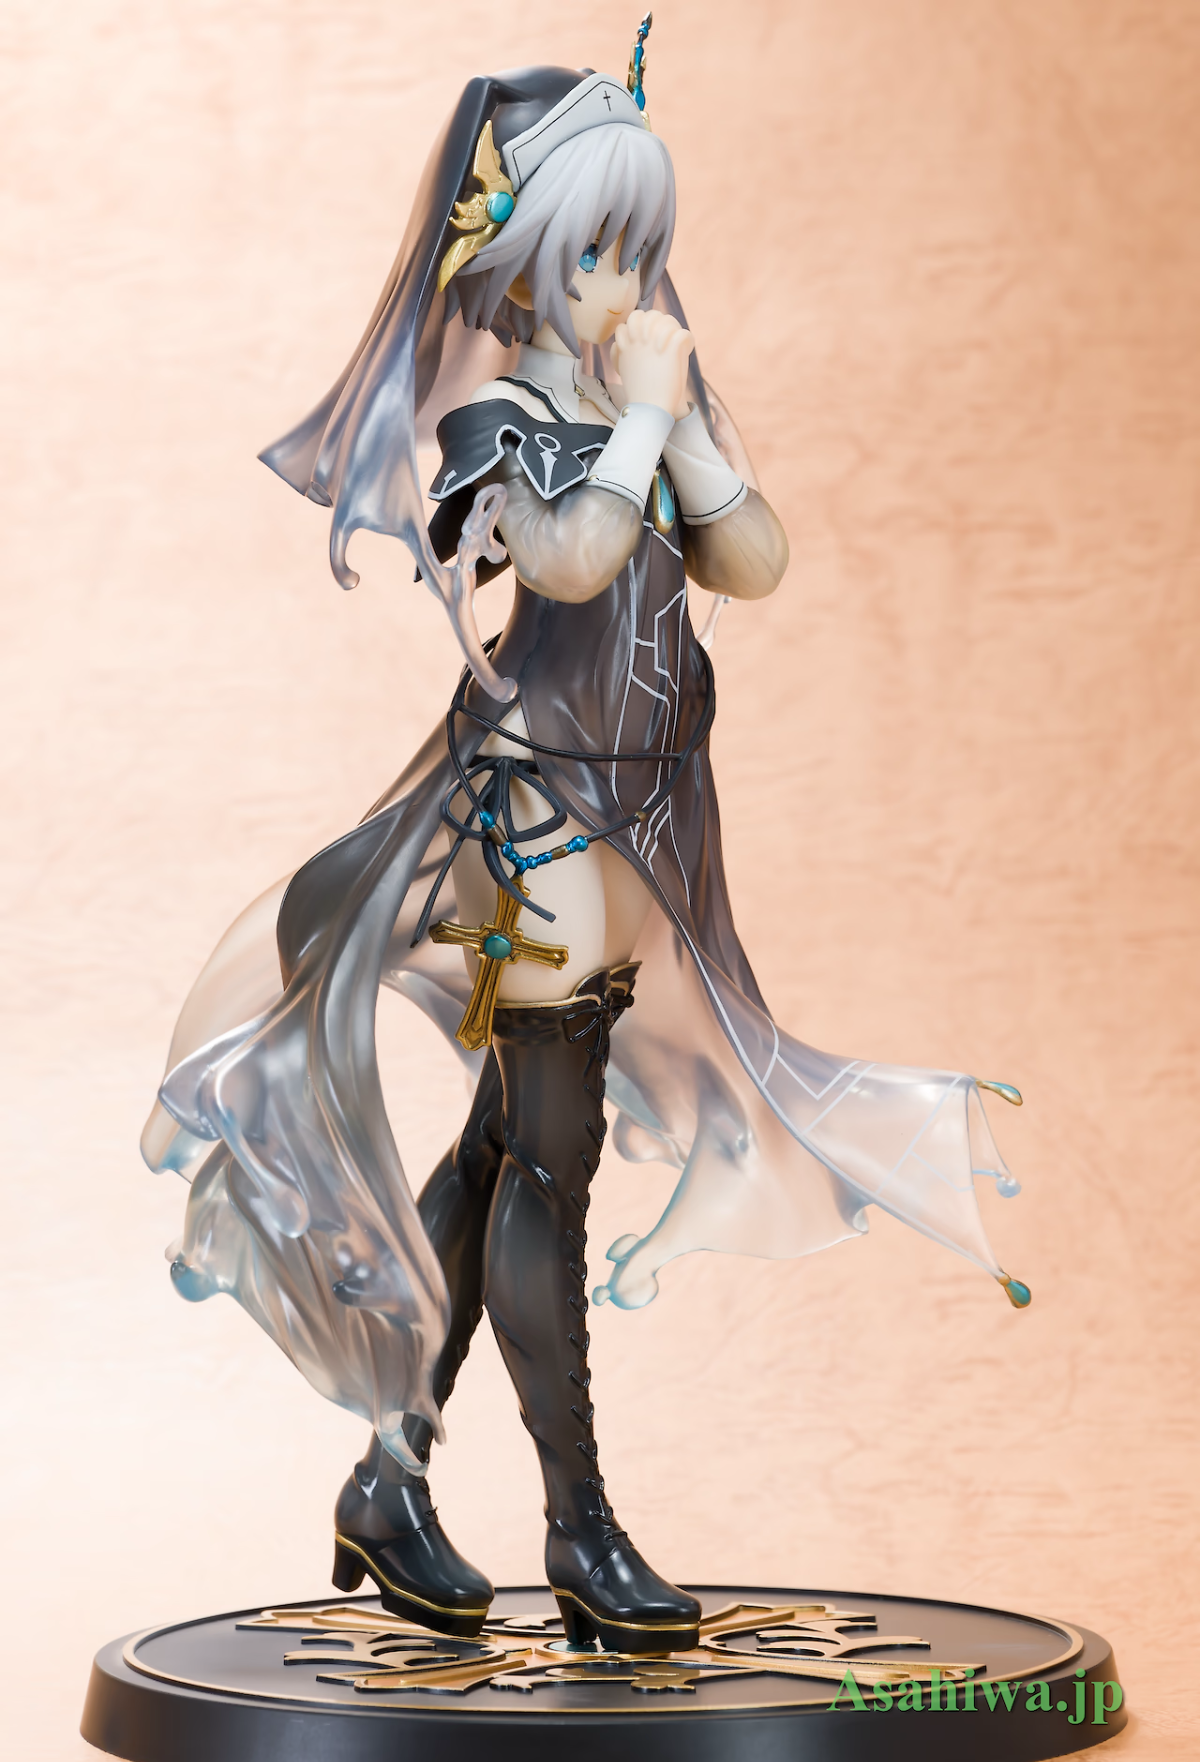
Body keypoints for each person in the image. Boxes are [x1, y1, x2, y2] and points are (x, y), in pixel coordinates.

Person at [142, 39, 1026, 1657]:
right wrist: (646, 420)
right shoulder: (497, 415)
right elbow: (566, 561)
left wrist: (680, 430)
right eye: (599, 247)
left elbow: (753, 563)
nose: (625, 281)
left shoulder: (635, 403)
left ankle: (389, 1478)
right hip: (535, 812)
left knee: (507, 1147)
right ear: (530, 255)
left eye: (640, 247)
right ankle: (581, 1529)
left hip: (644, 812)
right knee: (554, 1158)